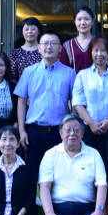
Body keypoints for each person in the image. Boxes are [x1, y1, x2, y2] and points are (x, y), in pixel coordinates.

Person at [15, 30, 77, 178]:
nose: (49, 47)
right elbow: (21, 102)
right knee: (32, 173)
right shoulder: (29, 72)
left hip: (59, 132)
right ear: (39, 48)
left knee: (58, 173)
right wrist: (22, 131)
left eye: (53, 43)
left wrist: (72, 130)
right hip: (33, 132)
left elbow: (75, 104)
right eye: (45, 43)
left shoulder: (69, 73)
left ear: (60, 48)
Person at [72, 36, 108, 169]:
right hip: (88, 129)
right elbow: (78, 102)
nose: (99, 54)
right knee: (88, 167)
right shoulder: (82, 75)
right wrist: (91, 123)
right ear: (91, 52)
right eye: (95, 50)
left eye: (103, 50)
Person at [59, 7, 96, 74]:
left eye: (86, 19)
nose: (83, 23)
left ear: (92, 21)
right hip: (73, 80)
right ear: (75, 22)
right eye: (79, 19)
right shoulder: (67, 45)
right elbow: (63, 70)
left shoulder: (99, 43)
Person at [9, 17, 44, 83]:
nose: (29, 32)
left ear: (39, 31)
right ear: (22, 32)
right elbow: (12, 76)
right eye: (26, 29)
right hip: (21, 88)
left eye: (33, 29)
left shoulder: (44, 51)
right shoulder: (15, 53)